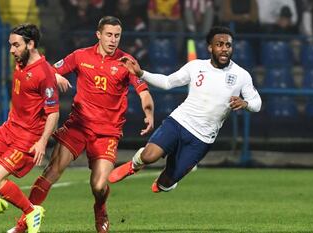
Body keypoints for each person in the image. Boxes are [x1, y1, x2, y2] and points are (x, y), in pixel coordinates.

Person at [8, 16, 154, 233]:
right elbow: (47, 71)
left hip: (107, 133)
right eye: (109, 35)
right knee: (52, 170)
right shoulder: (80, 56)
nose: (113, 40)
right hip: (78, 126)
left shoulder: (126, 61)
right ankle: (24, 223)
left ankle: (100, 207)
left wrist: (148, 112)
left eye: (117, 36)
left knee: (98, 185)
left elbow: (144, 92)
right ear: (99, 35)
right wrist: (55, 77)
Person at [109, 26, 262, 193]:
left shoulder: (241, 75)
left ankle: (172, 177)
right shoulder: (195, 66)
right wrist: (141, 73)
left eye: (228, 45)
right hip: (179, 122)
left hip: (202, 138)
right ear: (210, 47)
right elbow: (167, 82)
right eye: (219, 44)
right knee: (148, 156)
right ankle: (133, 165)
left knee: (164, 184)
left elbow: (257, 103)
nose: (224, 49)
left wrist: (246, 104)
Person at [0, 23, 59, 233]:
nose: (11, 50)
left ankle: (31, 211)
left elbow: (53, 112)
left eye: (15, 45)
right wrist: (57, 74)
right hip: (9, 128)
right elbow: (42, 68)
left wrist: (42, 142)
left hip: (27, 138)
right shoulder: (23, 60)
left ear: (31, 44)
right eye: (10, 45)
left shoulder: (44, 75)